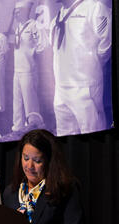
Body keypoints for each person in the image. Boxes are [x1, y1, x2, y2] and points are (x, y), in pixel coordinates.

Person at [49, 0, 112, 135]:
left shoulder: (94, 8)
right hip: (61, 90)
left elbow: (106, 44)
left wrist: (92, 65)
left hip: (85, 87)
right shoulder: (56, 19)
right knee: (65, 137)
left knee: (94, 136)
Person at [7, 0, 46, 133]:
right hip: (17, 70)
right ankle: (17, 127)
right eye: (15, 11)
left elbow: (42, 45)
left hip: (28, 70)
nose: (16, 14)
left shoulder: (34, 26)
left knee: (30, 103)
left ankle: (35, 128)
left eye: (18, 11)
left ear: (25, 11)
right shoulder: (18, 27)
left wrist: (33, 54)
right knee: (17, 102)